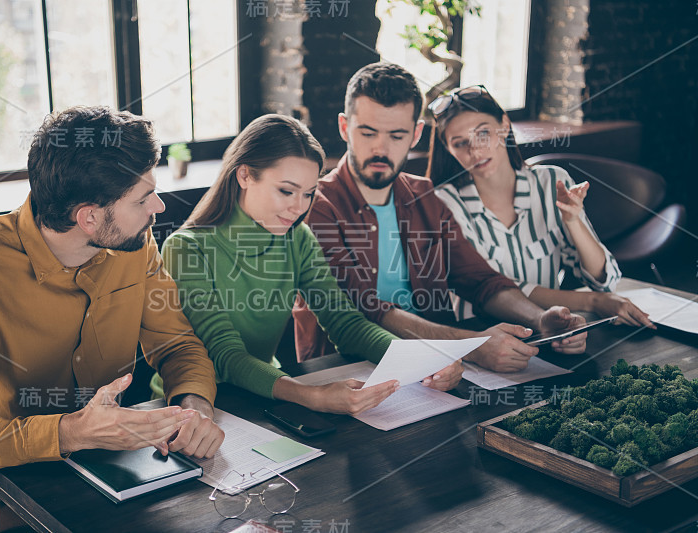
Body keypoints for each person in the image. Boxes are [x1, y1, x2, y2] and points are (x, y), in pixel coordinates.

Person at [0, 106, 224, 532]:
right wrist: (69, 433)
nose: (158, 207)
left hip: (106, 468)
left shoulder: (134, 243)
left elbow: (177, 345)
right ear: (89, 217)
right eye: (143, 198)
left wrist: (194, 407)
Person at [151, 114, 463, 415]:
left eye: (308, 194)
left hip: (267, 391)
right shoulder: (186, 248)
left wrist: (422, 359)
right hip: (195, 403)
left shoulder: (297, 237)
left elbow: (344, 322)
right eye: (286, 191)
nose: (298, 207)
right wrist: (312, 397)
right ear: (244, 175)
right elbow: (226, 355)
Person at [295, 62, 590, 373]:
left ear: (416, 134)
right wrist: (472, 345)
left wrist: (539, 319)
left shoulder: (424, 196)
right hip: (346, 371)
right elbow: (365, 311)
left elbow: (480, 281)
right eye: (367, 133)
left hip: (442, 371)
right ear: (344, 128)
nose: (380, 149)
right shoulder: (315, 206)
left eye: (397, 135)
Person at [430, 85, 653, 328]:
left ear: (504, 125)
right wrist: (593, 302)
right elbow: (492, 290)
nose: (475, 151)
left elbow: (604, 281)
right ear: (448, 148)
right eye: (460, 143)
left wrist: (573, 222)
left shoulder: (551, 182)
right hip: (484, 336)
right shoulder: (444, 203)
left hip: (556, 328)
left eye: (482, 134)